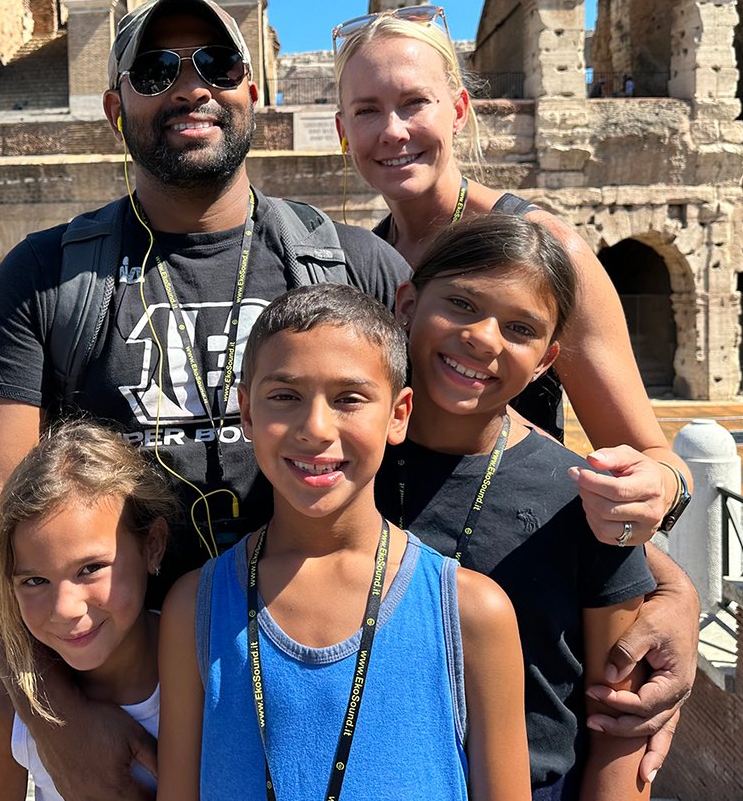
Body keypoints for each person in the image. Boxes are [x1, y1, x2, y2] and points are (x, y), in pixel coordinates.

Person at [0, 0, 409, 800]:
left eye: (217, 64)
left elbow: (465, 456)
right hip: (129, 708)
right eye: (156, 70)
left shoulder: (354, 267)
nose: (191, 86)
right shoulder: (46, 277)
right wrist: (55, 714)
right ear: (114, 108)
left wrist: (638, 555)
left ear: (252, 91)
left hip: (323, 678)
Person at [334, 7, 698, 778]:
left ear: (459, 109)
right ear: (342, 129)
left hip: (531, 596)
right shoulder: (365, 266)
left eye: (414, 102)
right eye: (367, 110)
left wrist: (674, 589)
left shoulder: (549, 250)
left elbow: (653, 458)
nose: (392, 130)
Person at [159, 283, 531, 800]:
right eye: (285, 397)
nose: (315, 428)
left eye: (348, 399)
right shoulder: (195, 608)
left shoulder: (472, 613)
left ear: (398, 414)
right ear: (246, 412)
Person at [379, 214, 656, 798]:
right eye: (461, 304)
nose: (483, 338)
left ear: (546, 361)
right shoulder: (344, 466)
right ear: (407, 306)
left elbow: (620, 722)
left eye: (519, 328)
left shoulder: (582, 498)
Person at [0, 422, 175, 800]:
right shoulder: (3, 710)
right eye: (35, 581)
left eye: (90, 569)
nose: (64, 609)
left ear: (153, 546)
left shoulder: (214, 670)